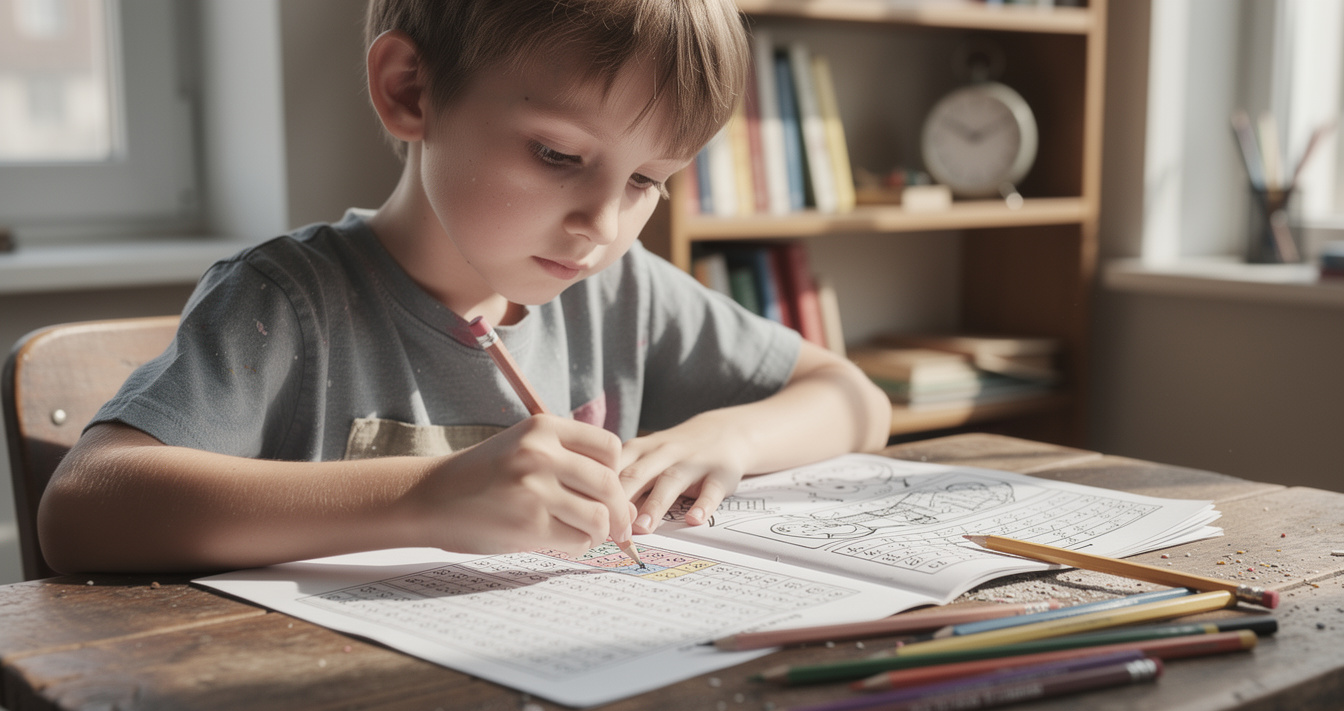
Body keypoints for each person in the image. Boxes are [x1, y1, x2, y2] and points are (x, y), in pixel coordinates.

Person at [37, 0, 891, 574]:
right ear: (411, 92)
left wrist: (725, 440)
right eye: (559, 156)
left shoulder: (622, 293)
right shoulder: (288, 302)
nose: (603, 224)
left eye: (647, 180)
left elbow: (853, 399)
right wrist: (421, 497)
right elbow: (83, 506)